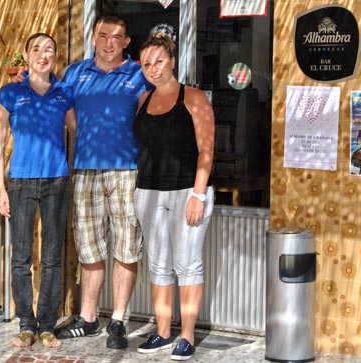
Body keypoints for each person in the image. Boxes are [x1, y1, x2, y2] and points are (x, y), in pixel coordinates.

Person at [55, 14, 151, 349]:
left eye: (117, 37)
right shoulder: (76, 73)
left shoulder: (139, 74)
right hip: (85, 169)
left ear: (127, 42)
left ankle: (119, 321)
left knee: (126, 244)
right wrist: (81, 136)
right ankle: (89, 318)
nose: (109, 42)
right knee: (89, 245)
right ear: (94, 37)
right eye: (103, 35)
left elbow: (152, 114)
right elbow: (64, 107)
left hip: (126, 170)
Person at [132, 33, 215, 361]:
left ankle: (187, 336)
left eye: (159, 61)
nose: (153, 69)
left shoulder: (193, 98)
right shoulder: (142, 101)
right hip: (149, 192)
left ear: (172, 60)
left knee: (187, 265)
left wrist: (198, 193)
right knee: (159, 266)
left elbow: (207, 149)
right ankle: (163, 331)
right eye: (147, 63)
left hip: (186, 191)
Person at [0, 32, 76, 349]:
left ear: (56, 57)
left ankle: (47, 326)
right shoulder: (10, 93)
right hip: (21, 181)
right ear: (26, 56)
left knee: (53, 257)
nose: (44, 54)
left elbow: (77, 133)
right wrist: (1, 187)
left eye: (50, 49)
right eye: (38, 49)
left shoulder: (63, 93)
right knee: (22, 257)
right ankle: (26, 325)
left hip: (57, 180)